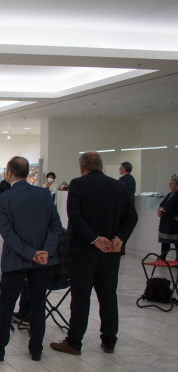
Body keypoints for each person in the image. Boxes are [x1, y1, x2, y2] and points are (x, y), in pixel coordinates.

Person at [50, 151, 138, 356]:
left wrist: (94, 239)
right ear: (101, 165)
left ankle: (74, 342)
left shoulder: (78, 184)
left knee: (81, 295)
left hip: (83, 251)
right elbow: (131, 217)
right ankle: (109, 341)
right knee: (108, 295)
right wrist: (119, 237)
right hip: (111, 251)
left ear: (82, 167)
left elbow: (75, 216)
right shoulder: (120, 186)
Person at [0, 156, 62, 362]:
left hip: (16, 259)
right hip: (42, 260)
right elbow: (55, 226)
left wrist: (31, 253)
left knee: (7, 303)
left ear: (8, 173)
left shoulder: (3, 198)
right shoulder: (44, 194)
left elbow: (8, 234)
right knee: (38, 303)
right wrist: (45, 252)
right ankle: (36, 348)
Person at [157, 176, 178, 256]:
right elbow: (162, 204)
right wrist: (161, 210)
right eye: (169, 184)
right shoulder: (170, 194)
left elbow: (170, 207)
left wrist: (164, 209)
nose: (170, 185)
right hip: (166, 222)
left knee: (176, 243)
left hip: (173, 223)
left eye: (172, 184)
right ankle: (162, 258)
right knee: (165, 242)